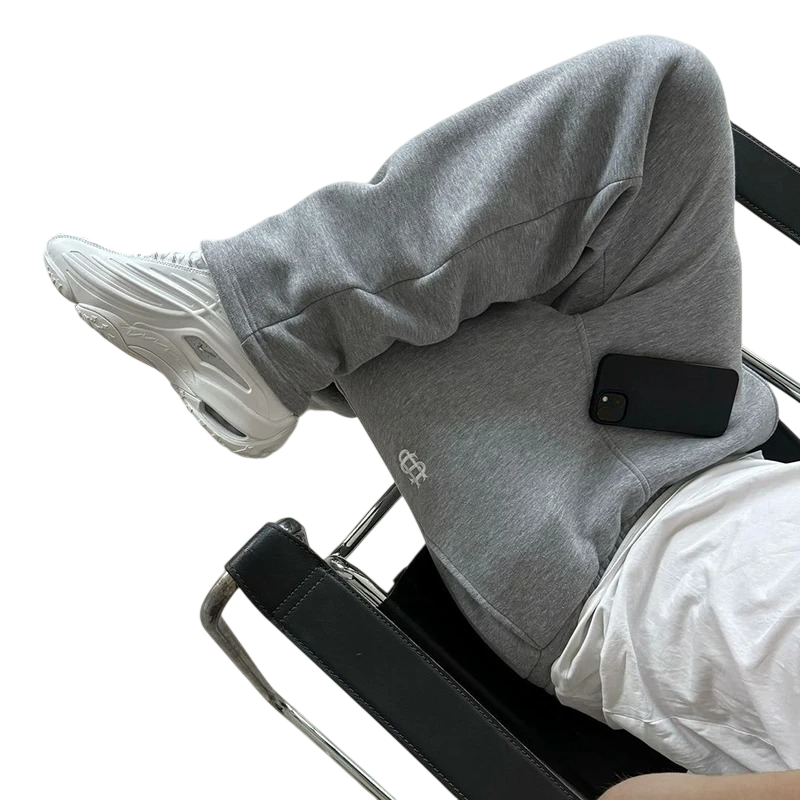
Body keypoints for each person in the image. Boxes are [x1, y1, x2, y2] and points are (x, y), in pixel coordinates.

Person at [43, 33, 799, 798]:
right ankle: (267, 340)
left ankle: (256, 327)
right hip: (717, 436)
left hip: (602, 565)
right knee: (664, 95)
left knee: (424, 295)